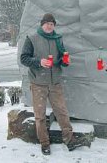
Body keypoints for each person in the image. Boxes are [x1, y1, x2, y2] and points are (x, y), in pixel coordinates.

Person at [20, 13, 86, 155]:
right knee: (40, 115)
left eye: (52, 24)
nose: (49, 26)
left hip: (55, 82)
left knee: (62, 112)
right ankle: (44, 143)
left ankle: (69, 139)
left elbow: (61, 58)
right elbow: (24, 58)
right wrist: (39, 62)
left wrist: (65, 61)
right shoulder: (32, 38)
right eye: (47, 23)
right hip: (38, 83)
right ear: (42, 24)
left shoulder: (58, 39)